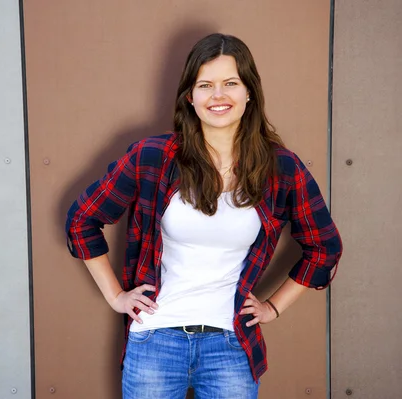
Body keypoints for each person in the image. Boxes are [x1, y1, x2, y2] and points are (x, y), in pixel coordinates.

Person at [65, 33, 342, 399]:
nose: (218, 96)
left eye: (230, 83)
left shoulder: (280, 168)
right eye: (205, 85)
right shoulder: (154, 157)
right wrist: (117, 297)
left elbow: (324, 247)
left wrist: (273, 307)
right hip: (155, 342)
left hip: (231, 346)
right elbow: (81, 220)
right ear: (190, 97)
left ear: (249, 93)